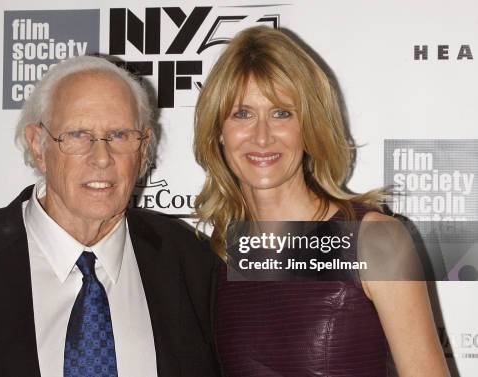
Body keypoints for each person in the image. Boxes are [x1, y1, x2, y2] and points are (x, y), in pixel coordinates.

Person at [0, 56, 220, 377]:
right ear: (37, 145)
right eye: (77, 135)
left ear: (144, 146)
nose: (101, 158)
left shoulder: (196, 263)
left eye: (119, 135)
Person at [193, 26, 450, 377]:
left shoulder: (372, 241)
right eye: (242, 114)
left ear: (309, 126)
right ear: (218, 131)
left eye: (282, 113)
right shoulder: (222, 254)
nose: (262, 135)